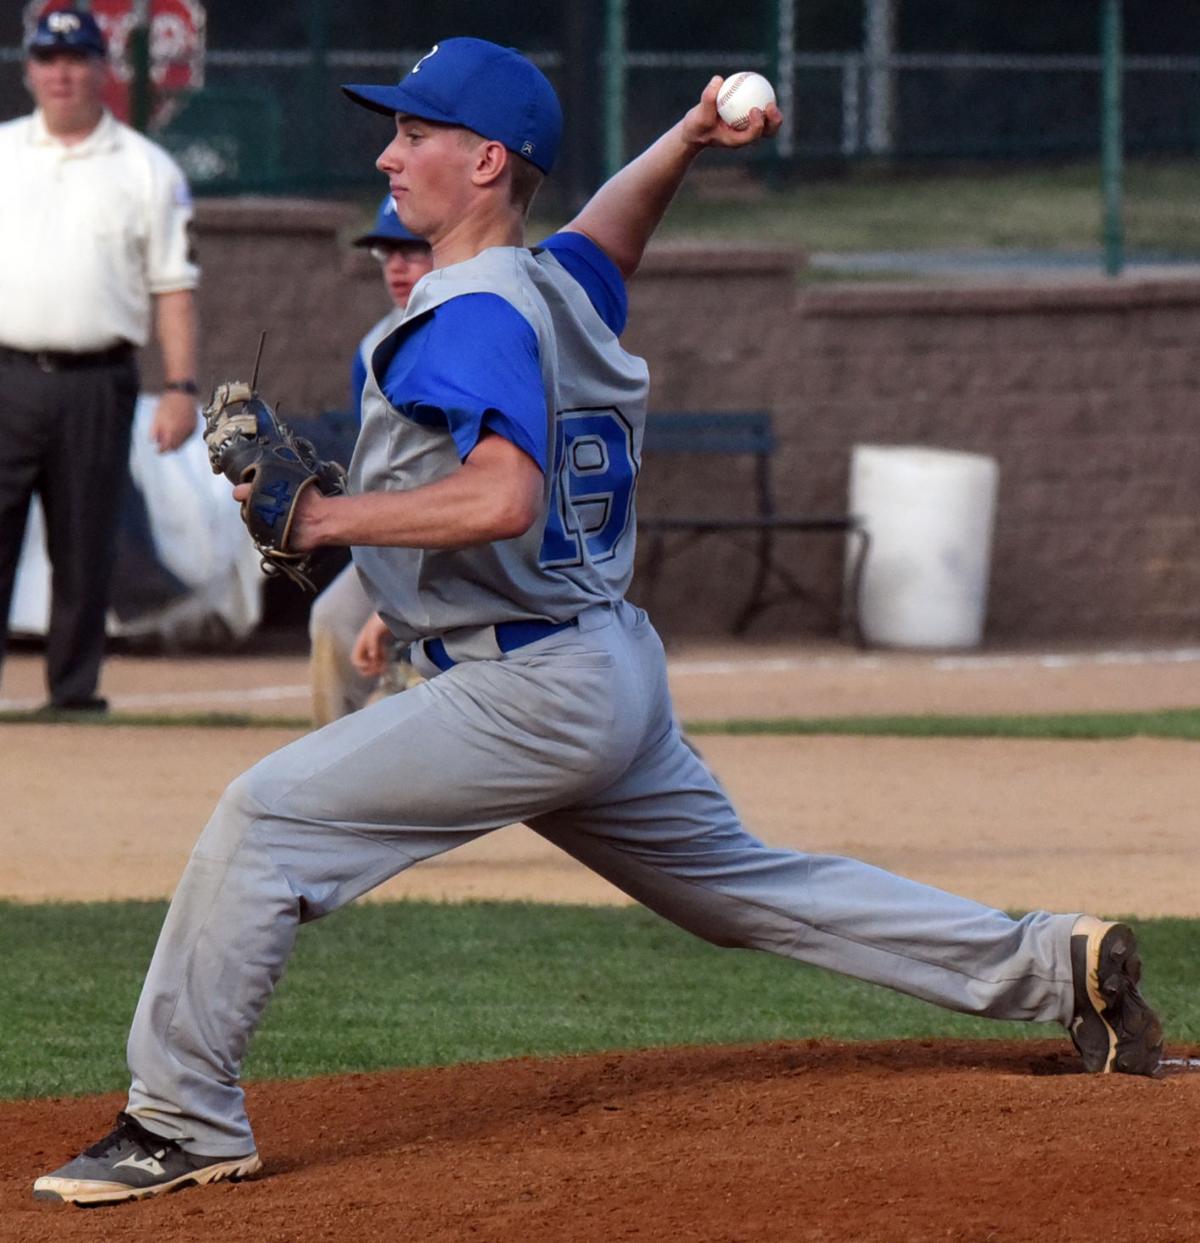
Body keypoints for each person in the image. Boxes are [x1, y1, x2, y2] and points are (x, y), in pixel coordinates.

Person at [33, 37, 1162, 1207]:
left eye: (414, 134)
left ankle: (181, 1118)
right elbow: (616, 228)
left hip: (522, 688)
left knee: (261, 823)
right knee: (746, 888)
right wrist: (681, 142)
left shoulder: (464, 315)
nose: (388, 152)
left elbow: (504, 494)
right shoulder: (556, 285)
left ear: (483, 162)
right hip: (607, 664)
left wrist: (325, 519)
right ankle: (1051, 965)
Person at [0, 9, 200, 714]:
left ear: (101, 68)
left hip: (97, 378)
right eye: (48, 59)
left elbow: (173, 285)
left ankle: (74, 691)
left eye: (76, 58)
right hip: (7, 373)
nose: (61, 73)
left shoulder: (147, 167)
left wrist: (180, 386)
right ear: (28, 69)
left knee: (85, 541)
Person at [308, 195, 432, 726]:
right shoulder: (372, 347)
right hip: (400, 537)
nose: (398, 266)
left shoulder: (480, 325)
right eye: (387, 252)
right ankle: (331, 764)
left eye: (412, 249)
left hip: (473, 540)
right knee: (334, 619)